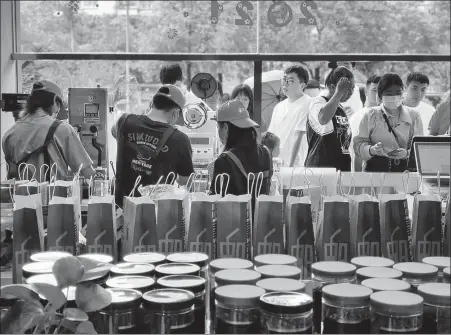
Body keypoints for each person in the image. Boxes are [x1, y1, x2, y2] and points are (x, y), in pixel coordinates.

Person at [112, 85, 194, 207]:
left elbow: (114, 132)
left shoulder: (124, 121)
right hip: (158, 214)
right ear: (176, 113)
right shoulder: (180, 140)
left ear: (151, 104)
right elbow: (185, 181)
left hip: (120, 209)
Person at [2, 80, 96, 181]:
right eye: (59, 105)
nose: (57, 111)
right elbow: (88, 173)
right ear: (55, 100)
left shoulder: (9, 134)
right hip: (53, 196)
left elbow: (11, 174)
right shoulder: (61, 129)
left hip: (17, 196)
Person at [353, 73, 424, 172]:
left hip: (404, 174)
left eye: (398, 92)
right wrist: (371, 150)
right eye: (389, 93)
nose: (394, 97)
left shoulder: (414, 116)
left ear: (403, 92)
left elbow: (420, 148)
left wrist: (407, 153)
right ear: (381, 95)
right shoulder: (370, 115)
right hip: (374, 173)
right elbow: (358, 145)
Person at [210, 100, 272, 199]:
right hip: (262, 213)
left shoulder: (225, 161)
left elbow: (215, 200)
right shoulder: (266, 152)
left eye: (218, 127)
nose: (218, 131)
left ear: (225, 127)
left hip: (235, 214)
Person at [305, 66, 354, 171]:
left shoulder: (340, 108)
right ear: (332, 87)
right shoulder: (318, 102)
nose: (351, 93)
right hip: (320, 170)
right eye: (347, 89)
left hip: (341, 169)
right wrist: (339, 92)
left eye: (352, 88)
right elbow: (323, 119)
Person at [267, 65, 312, 167]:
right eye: (284, 80)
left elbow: (298, 135)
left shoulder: (308, 103)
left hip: (298, 165)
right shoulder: (279, 107)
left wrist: (290, 167)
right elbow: (271, 137)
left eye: (290, 81)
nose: (285, 84)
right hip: (277, 164)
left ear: (302, 86)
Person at [349, 75, 381, 171]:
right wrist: (357, 181)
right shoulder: (359, 117)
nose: (378, 94)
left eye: (381, 90)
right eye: (374, 90)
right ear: (366, 91)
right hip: (365, 174)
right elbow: (356, 152)